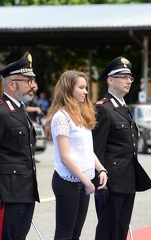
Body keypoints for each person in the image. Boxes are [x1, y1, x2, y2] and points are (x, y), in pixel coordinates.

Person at [0, 52, 40, 240]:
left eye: (32, 81)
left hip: (25, 191)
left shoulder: (21, 110)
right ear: (12, 84)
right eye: (28, 81)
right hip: (6, 193)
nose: (33, 86)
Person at [92, 56, 151, 240]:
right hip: (111, 181)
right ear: (110, 80)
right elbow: (96, 149)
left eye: (130, 77)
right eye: (123, 77)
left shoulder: (124, 107)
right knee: (107, 231)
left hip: (127, 180)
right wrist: (99, 183)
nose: (128, 81)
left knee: (120, 230)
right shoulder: (104, 109)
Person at [44, 70, 108, 240]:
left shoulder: (81, 114)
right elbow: (65, 157)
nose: (86, 92)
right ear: (68, 89)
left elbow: (87, 149)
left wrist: (101, 170)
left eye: (86, 87)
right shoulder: (61, 117)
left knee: (75, 235)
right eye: (81, 87)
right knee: (64, 235)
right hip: (68, 182)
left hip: (83, 181)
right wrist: (87, 182)